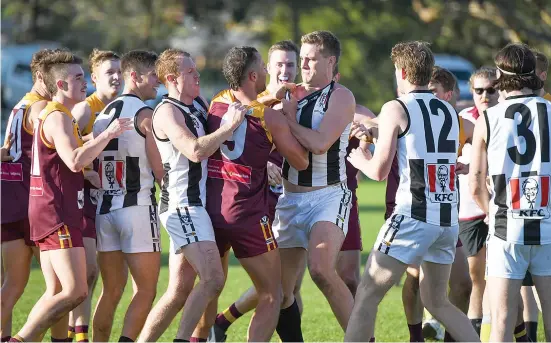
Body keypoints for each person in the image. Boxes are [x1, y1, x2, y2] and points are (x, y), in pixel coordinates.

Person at [344, 41, 479, 342]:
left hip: (413, 215)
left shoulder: (396, 106)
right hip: (446, 219)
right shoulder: (446, 108)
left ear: (402, 71)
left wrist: (361, 158)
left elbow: (379, 171)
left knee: (366, 296)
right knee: (438, 302)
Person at [8, 49, 131, 343]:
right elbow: (74, 159)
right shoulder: (56, 116)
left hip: (51, 208)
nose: (85, 82)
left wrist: (90, 159)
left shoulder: (59, 116)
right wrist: (107, 134)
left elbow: (67, 161)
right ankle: (19, 340)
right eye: (78, 78)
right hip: (56, 211)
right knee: (75, 291)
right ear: (61, 85)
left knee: (56, 292)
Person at [194, 45, 309, 343]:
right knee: (273, 293)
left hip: (211, 211)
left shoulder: (217, 102)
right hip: (246, 215)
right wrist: (290, 118)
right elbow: (301, 161)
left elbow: (249, 107)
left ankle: (199, 338)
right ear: (254, 75)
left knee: (209, 287)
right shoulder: (270, 118)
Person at [136, 48, 247, 342]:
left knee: (179, 291)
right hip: (183, 206)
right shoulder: (166, 111)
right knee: (213, 279)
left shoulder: (198, 104)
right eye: (190, 72)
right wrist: (230, 126)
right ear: (172, 79)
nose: (197, 75)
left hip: (196, 207)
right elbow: (195, 150)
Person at [271, 30, 356, 336]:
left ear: (330, 61)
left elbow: (320, 144)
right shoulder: (287, 94)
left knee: (320, 270)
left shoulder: (340, 95)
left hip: (328, 196)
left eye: (310, 58)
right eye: (301, 58)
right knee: (279, 293)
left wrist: (288, 118)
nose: (302, 63)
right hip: (289, 200)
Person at [469, 43, 551, 342]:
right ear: (535, 74)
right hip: (548, 226)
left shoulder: (487, 119)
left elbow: (476, 186)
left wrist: (491, 212)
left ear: (500, 75)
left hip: (507, 226)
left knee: (502, 321)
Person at [92, 50, 164, 342]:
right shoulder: (145, 114)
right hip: (137, 208)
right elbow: (160, 170)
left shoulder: (103, 114)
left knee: (110, 291)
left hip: (105, 209)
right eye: (152, 75)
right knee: (146, 291)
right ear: (133, 76)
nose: (158, 82)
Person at [68, 48, 122, 343]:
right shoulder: (85, 109)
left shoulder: (125, 106)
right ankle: (78, 337)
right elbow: (65, 156)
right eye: (109, 73)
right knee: (87, 274)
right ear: (95, 78)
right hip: (84, 200)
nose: (116, 77)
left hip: (115, 200)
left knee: (109, 278)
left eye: (119, 71)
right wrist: (87, 173)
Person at [0, 48, 53, 342]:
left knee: (13, 285)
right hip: (31, 203)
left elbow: (10, 151)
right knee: (64, 287)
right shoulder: (41, 108)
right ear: (40, 76)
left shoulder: (19, 106)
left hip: (9, 199)